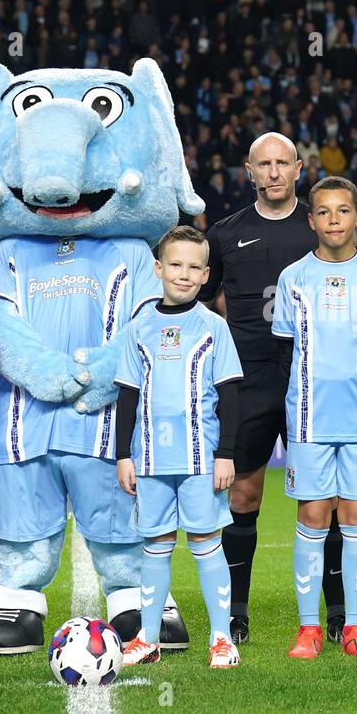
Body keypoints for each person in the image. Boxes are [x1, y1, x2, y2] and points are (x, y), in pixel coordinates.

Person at [199, 132, 345, 645]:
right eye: (266, 164)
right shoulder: (224, 234)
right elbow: (197, 299)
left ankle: (336, 613)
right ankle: (236, 611)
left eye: (284, 163)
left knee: (322, 498)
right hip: (249, 378)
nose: (276, 172)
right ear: (250, 171)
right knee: (243, 492)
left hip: (312, 377)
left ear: (300, 169)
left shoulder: (321, 229)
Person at [272, 177, 357, 659]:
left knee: (356, 516)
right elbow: (284, 351)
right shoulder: (293, 278)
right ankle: (308, 628)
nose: (333, 220)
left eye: (342, 211)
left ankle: (355, 628)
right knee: (311, 514)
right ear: (311, 220)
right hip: (308, 420)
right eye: (323, 212)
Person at [116, 226, 244, 670]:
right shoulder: (138, 329)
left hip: (201, 459)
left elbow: (230, 394)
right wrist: (123, 455)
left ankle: (222, 639)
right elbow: (128, 396)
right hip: (150, 459)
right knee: (155, 545)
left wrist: (226, 453)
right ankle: (147, 638)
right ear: (158, 269)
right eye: (176, 265)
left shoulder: (213, 327)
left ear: (206, 274)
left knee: (207, 543)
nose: (184, 274)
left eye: (194, 267)